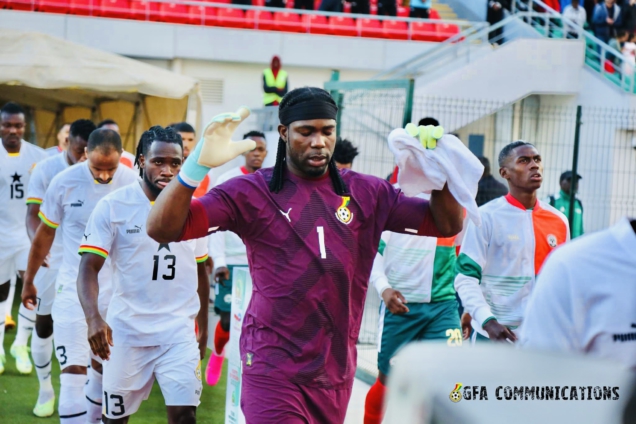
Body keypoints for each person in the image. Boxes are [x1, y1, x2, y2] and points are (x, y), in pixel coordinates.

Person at [145, 87, 464, 423]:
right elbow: (162, 228)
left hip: (333, 372)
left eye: (327, 131)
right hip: (271, 366)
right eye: (306, 132)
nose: (318, 142)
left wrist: (438, 170)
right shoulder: (251, 191)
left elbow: (445, 223)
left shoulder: (368, 192)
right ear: (284, 132)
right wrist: (194, 168)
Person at [77, 126, 210, 423]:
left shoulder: (195, 209)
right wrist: (94, 318)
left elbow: (201, 270)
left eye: (175, 163)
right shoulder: (113, 206)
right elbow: (88, 267)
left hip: (178, 334)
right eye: (158, 161)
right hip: (126, 333)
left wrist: (202, 328)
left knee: (185, 417)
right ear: (141, 161)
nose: (167, 170)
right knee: (115, 420)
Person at [22, 128, 138, 423]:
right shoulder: (64, 182)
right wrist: (29, 280)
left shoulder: (133, 183)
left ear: (121, 157)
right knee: (73, 375)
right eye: (97, 168)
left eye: (110, 168)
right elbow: (44, 234)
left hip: (117, 296)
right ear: (86, 154)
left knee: (103, 373)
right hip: (73, 292)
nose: (104, 175)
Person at [455, 141, 569, 343]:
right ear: (504, 172)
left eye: (537, 159)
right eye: (524, 160)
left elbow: (563, 280)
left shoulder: (559, 221)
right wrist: (485, 319)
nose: (534, 165)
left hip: (540, 337)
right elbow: (465, 278)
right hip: (492, 335)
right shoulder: (485, 217)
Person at [364, 192, 463, 424]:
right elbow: (373, 254)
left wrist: (469, 307)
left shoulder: (457, 201)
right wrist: (384, 289)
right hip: (401, 308)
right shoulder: (395, 198)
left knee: (455, 380)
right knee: (387, 381)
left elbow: (462, 255)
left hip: (443, 307)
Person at [23, 118, 94, 417]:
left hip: (88, 263)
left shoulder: (105, 172)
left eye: (89, 151)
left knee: (90, 327)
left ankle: (84, 394)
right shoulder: (47, 169)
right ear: (67, 143)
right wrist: (39, 246)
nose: (84, 157)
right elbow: (32, 215)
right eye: (79, 150)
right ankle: (45, 389)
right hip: (53, 259)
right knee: (44, 325)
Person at [519, 217, 636, 370]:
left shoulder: (558, 219)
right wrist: (488, 317)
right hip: (508, 322)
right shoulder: (570, 265)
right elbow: (540, 375)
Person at [205, 130, 268, 386]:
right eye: (251, 148)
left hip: (261, 265)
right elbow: (215, 224)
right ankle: (219, 354)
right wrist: (219, 261)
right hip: (231, 263)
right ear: (243, 151)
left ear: (266, 153)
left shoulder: (272, 181)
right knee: (227, 319)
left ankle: (250, 369)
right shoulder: (227, 180)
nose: (256, 153)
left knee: (259, 320)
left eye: (260, 149)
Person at [0, 102, 48, 376]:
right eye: (7, 125)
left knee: (34, 288)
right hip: (0, 236)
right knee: (1, 291)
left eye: (17, 125)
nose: (12, 130)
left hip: (27, 235)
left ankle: (20, 344)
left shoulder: (38, 157)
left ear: (24, 127)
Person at [169, 122, 211, 198]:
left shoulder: (202, 167)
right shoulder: (165, 167)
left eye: (190, 140)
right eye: (182, 139)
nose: (186, 144)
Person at [547, 170, 584, 238]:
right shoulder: (552, 201)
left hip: (576, 243)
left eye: (576, 181)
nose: (574, 183)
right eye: (570, 180)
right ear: (561, 183)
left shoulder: (578, 203)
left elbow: (581, 228)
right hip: (558, 242)